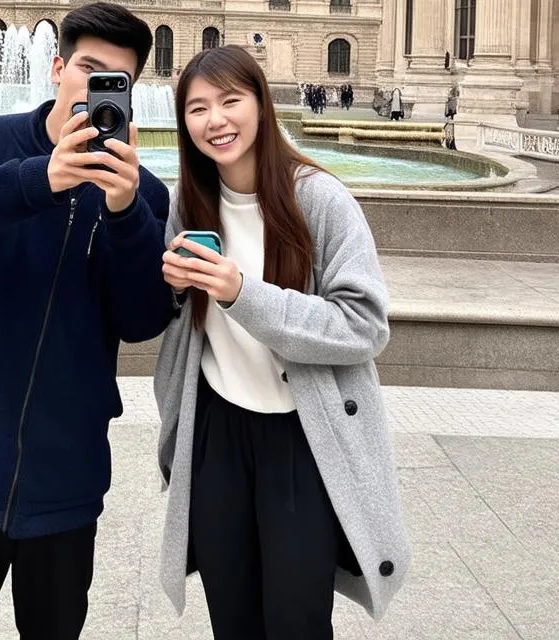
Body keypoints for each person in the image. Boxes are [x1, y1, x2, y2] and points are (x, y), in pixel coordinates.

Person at [0, 2, 173, 640]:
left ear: (132, 93)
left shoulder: (145, 193)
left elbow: (141, 320)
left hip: (65, 472)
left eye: (115, 79)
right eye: (87, 68)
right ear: (56, 67)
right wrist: (38, 179)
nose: (95, 87)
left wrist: (126, 214)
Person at [154, 45, 410, 639]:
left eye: (229, 101)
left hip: (301, 437)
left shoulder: (318, 197)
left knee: (296, 620)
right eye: (197, 108)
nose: (215, 120)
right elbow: (176, 318)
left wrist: (244, 293)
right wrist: (173, 290)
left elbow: (365, 324)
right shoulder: (188, 201)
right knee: (232, 618)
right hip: (217, 431)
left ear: (261, 106)